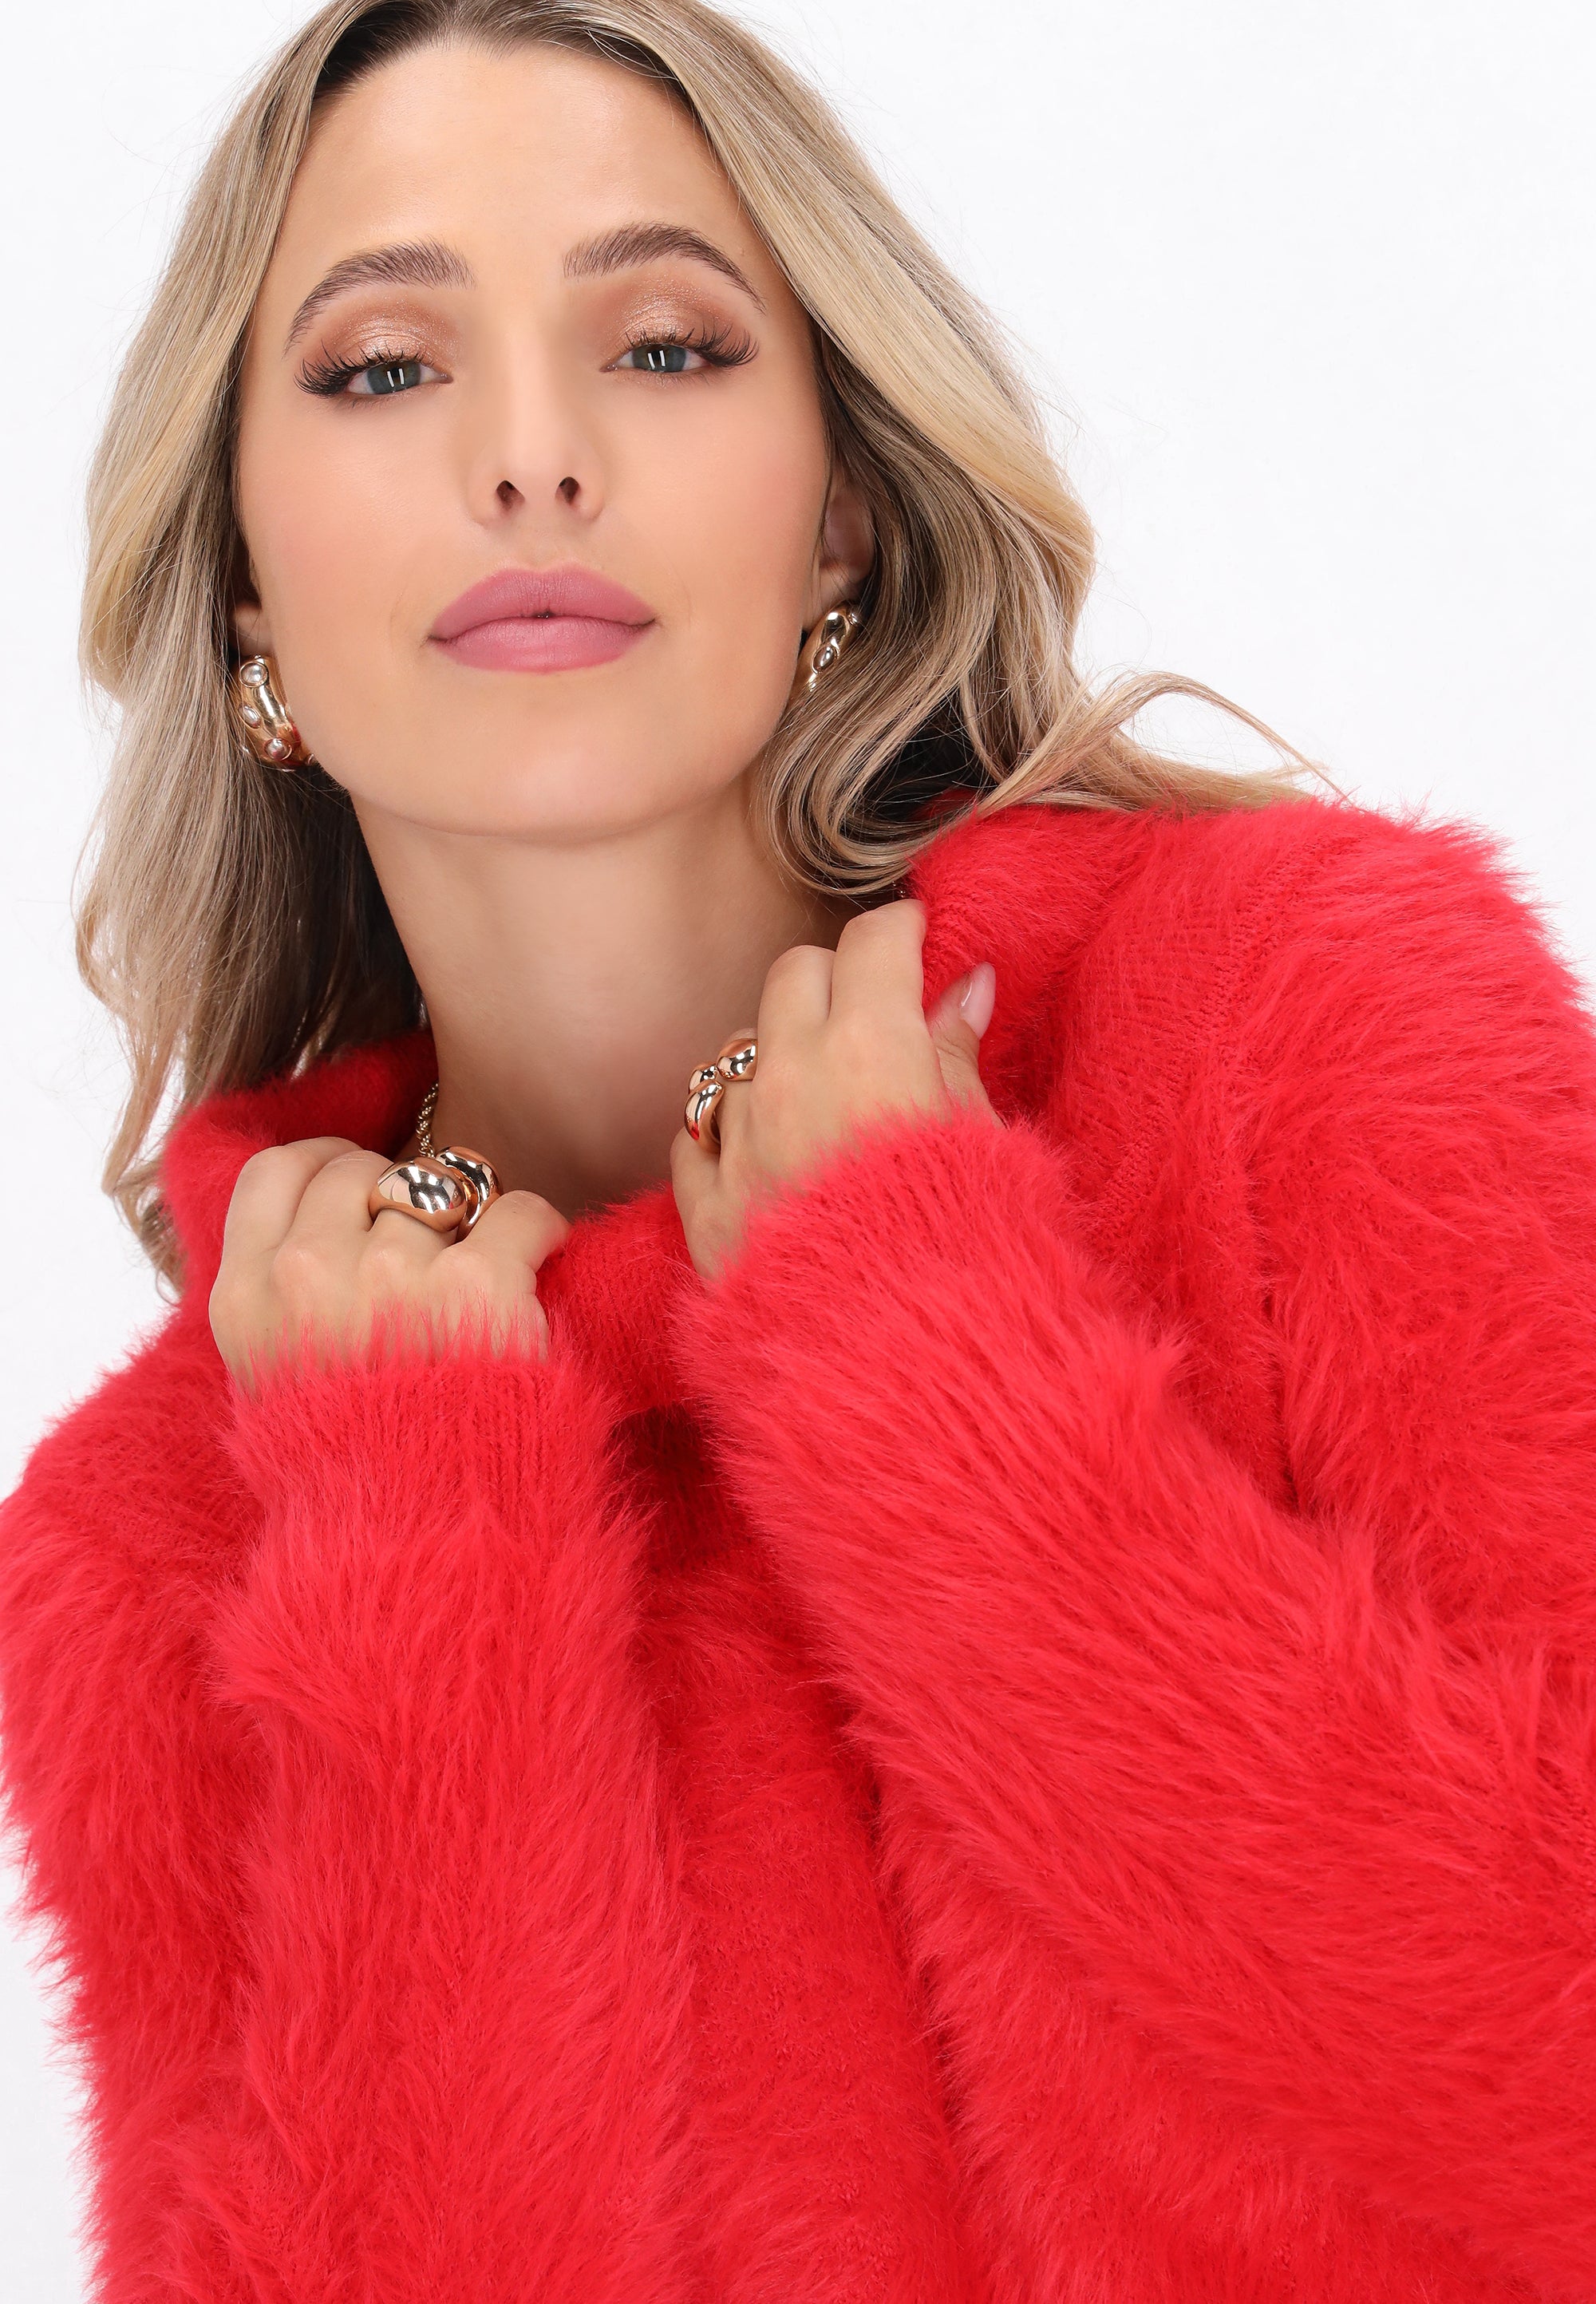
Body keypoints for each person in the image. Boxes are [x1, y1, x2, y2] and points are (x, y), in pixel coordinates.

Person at [2, 0, 1593, 2296]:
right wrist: (423, 1554)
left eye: (664, 347)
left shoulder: (1301, 1020)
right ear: (242, 589)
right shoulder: (182, 1520)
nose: (531, 460)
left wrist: (935, 1373)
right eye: (383, 367)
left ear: (840, 510)